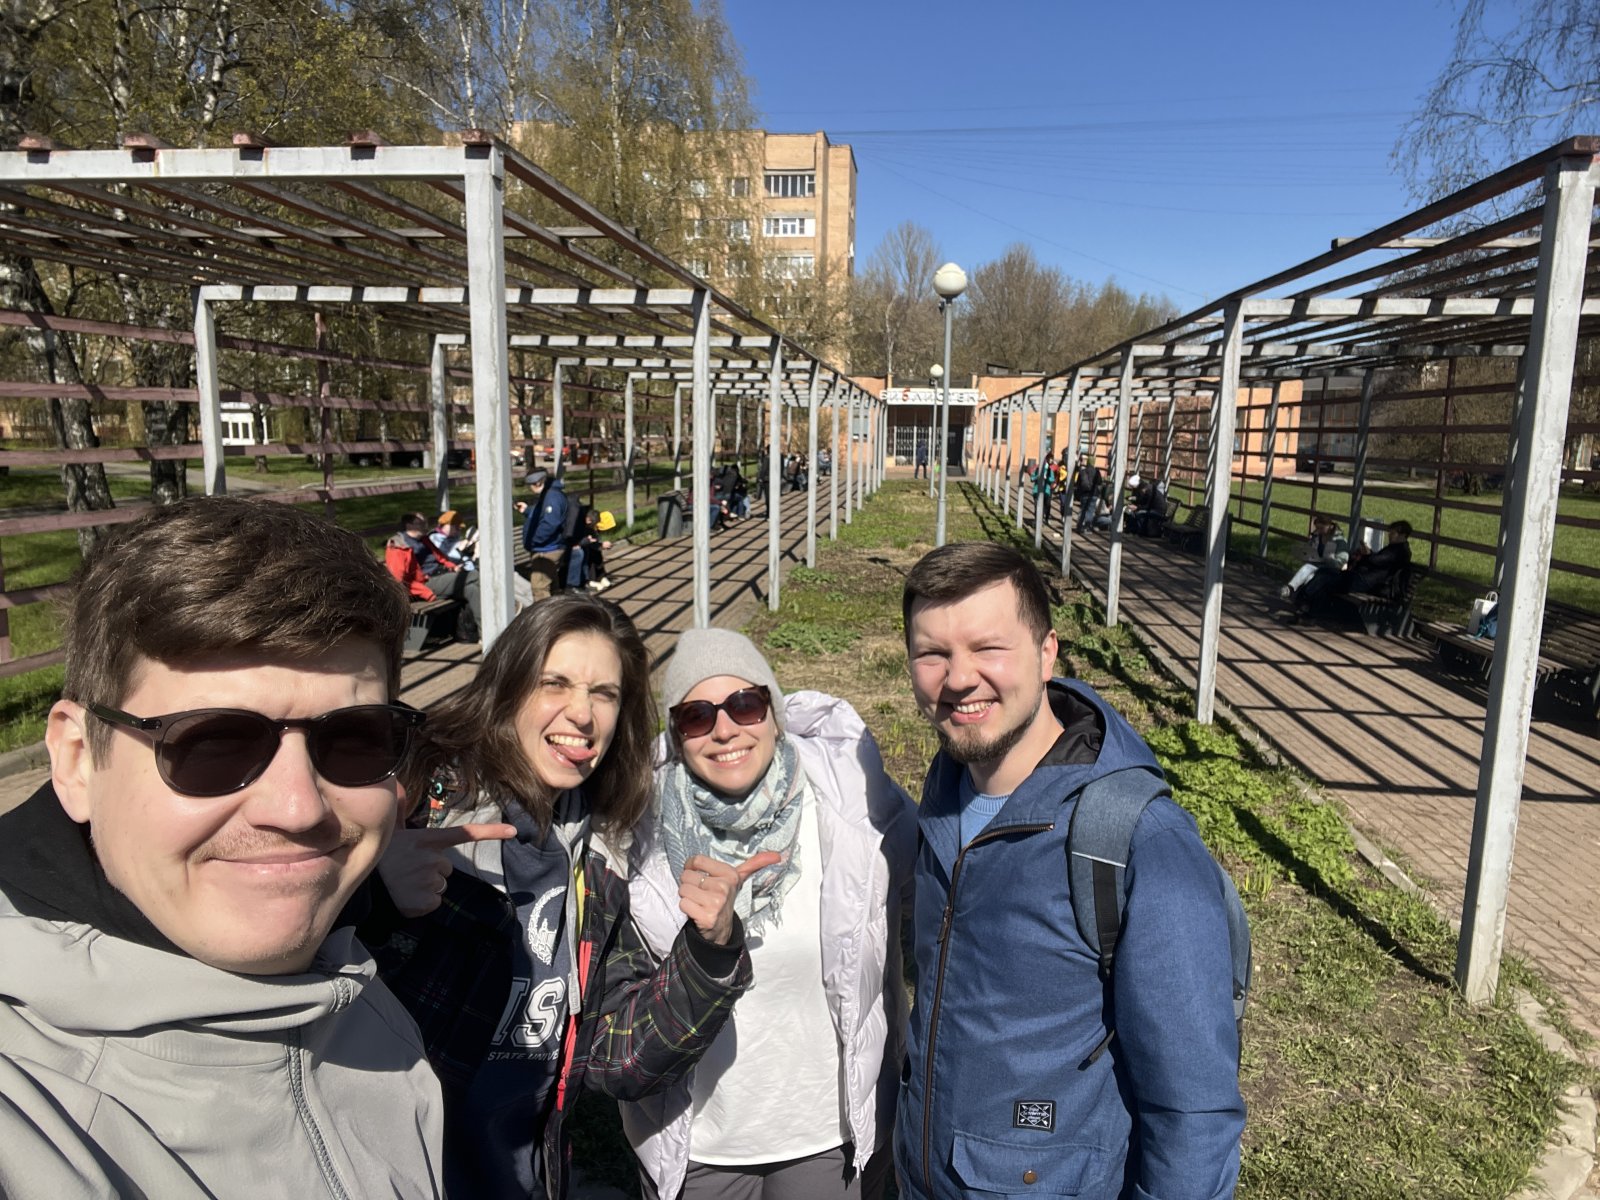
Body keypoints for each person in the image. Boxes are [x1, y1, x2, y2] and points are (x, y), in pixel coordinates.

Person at [0, 496, 443, 1198]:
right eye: (213, 744)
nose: (298, 808)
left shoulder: (357, 985)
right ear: (78, 760)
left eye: (355, 740)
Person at [364, 595, 758, 1199]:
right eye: (555, 683)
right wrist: (367, 888)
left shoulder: (597, 853)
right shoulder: (415, 801)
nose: (582, 713)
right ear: (508, 686)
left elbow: (618, 1058)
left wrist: (710, 951)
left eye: (605, 694)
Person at [896, 543, 1245, 1200]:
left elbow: (1194, 1113)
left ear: (1047, 652)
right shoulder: (946, 790)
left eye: (988, 648)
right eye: (932, 653)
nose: (959, 678)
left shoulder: (1137, 841)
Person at [620, 628, 915, 1200]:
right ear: (676, 735)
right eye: (696, 716)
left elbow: (932, 889)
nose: (724, 729)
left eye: (745, 705)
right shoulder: (639, 827)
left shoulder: (854, 808)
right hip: (694, 1144)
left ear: (774, 713)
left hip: (827, 1136)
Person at [387, 510, 482, 641]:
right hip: (426, 583)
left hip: (442, 574)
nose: (425, 525)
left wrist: (453, 566)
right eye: (420, 523)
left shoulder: (424, 540)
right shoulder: (398, 546)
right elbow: (399, 580)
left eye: (425, 522)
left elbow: (440, 557)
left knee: (472, 590)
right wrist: (423, 592)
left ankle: (486, 633)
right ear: (409, 525)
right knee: (475, 576)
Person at [1294, 518, 1412, 617]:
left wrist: (1368, 554)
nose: (1389, 535)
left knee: (1325, 578)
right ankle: (1306, 604)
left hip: (1366, 581)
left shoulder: (1398, 551)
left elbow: (1376, 560)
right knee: (1324, 572)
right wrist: (1368, 554)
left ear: (1402, 534)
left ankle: (1305, 603)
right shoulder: (1394, 549)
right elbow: (1378, 560)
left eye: (1393, 533)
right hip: (1361, 577)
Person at [519, 469, 570, 598]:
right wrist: (527, 510)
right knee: (552, 586)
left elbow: (550, 523)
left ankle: (545, 611)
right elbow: (544, 514)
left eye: (530, 485)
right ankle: (557, 609)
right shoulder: (550, 495)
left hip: (546, 550)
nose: (530, 488)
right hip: (548, 547)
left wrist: (533, 540)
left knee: (539, 588)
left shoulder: (552, 497)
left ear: (537, 483)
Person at [1280, 514, 1349, 600]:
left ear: (1329, 526)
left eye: (1321, 528)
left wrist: (1330, 559)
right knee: (1309, 574)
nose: (1319, 531)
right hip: (1317, 565)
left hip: (1331, 569)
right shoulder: (1317, 537)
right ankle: (1295, 593)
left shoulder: (1339, 540)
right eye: (1317, 528)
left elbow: (1342, 561)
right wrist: (1305, 554)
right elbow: (1309, 548)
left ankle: (1293, 591)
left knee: (1309, 570)